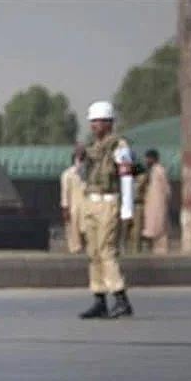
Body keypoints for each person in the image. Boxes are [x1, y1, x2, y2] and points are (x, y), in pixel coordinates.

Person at [78, 101, 134, 319]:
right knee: (93, 253)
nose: (95, 126)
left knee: (107, 251)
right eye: (92, 121)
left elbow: (126, 177)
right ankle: (99, 297)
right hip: (91, 200)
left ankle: (121, 298)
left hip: (108, 202)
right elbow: (83, 175)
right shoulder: (92, 148)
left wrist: (127, 210)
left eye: (99, 121)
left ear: (109, 123)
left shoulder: (120, 147)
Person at [142, 149, 171, 254]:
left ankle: (162, 251)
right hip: (152, 203)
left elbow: (166, 189)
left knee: (159, 227)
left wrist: (164, 200)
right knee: (153, 227)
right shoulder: (151, 171)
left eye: (148, 158)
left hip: (159, 203)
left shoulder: (159, 170)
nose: (146, 160)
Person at [60, 149, 86, 253]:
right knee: (73, 231)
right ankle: (74, 250)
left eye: (83, 158)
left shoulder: (89, 174)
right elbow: (65, 192)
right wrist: (65, 207)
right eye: (79, 158)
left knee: (86, 231)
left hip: (87, 206)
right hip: (73, 207)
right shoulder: (67, 174)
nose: (81, 161)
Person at [123, 155, 148, 254]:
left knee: (136, 229)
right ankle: (124, 247)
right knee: (125, 228)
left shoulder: (140, 175)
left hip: (137, 204)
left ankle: (136, 249)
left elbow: (139, 186)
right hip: (126, 204)